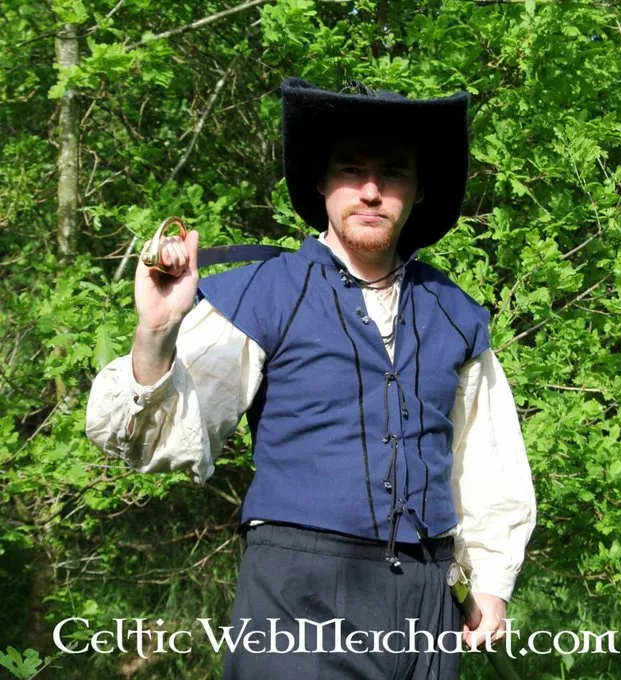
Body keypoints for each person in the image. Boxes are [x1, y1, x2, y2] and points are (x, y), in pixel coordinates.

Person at [86, 77, 536, 679]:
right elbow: (155, 440)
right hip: (298, 597)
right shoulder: (263, 294)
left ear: (419, 190)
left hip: (427, 604)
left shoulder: (455, 313)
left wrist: (490, 581)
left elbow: (487, 460)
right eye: (352, 170)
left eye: (393, 174)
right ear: (322, 182)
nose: (371, 190)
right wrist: (156, 332)